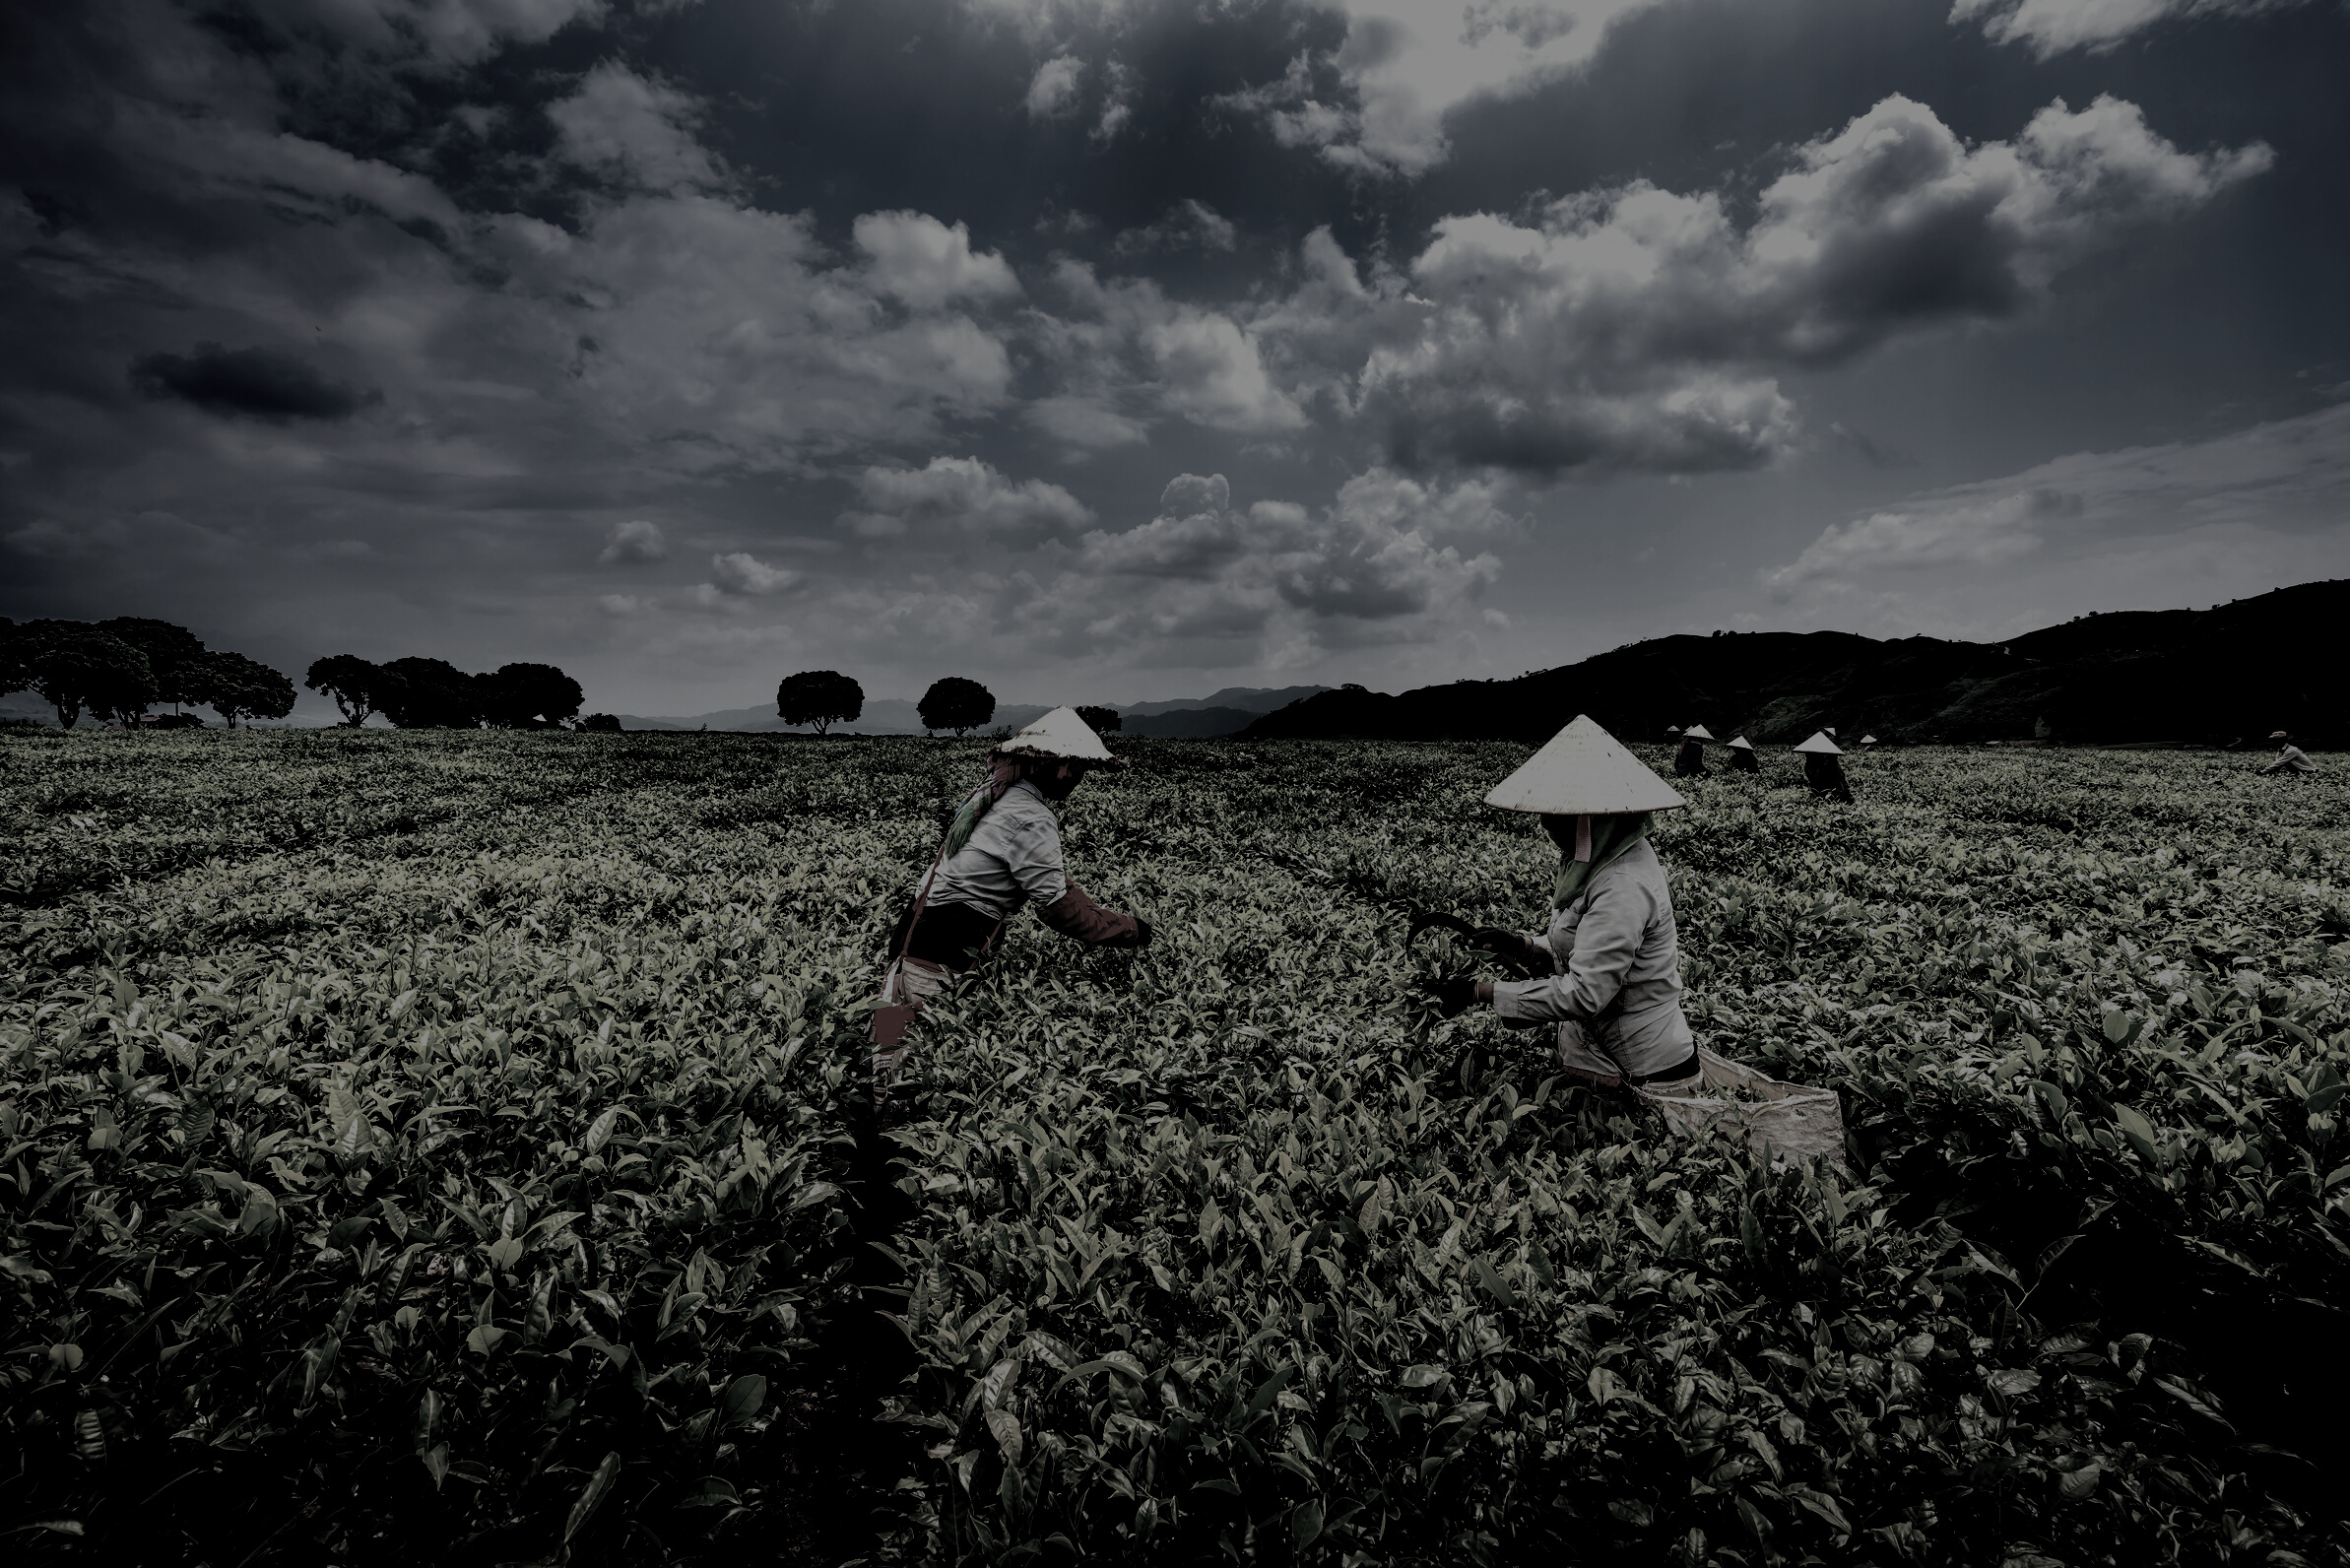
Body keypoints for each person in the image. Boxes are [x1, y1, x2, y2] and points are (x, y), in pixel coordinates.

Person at [871, 706, 1151, 1101]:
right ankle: (888, 1143)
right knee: (915, 1074)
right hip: (939, 959)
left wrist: (1110, 916)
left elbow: (1053, 882)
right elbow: (1059, 908)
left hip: (908, 948)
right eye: (1078, 771)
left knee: (890, 1054)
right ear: (1062, 767)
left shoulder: (993, 797)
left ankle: (882, 1134)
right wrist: (1132, 931)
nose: (1078, 781)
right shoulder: (1032, 815)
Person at [1430, 714, 1701, 1091]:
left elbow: (1587, 992)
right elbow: (1585, 943)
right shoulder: (1600, 856)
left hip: (1647, 1069)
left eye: (1557, 815)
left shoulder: (1623, 884)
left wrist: (1481, 992)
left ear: (1588, 818)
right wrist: (1523, 946)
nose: (1547, 824)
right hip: (1605, 1053)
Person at [1795, 730, 1854, 803]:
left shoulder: (1833, 769)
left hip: (1838, 801)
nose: (1809, 757)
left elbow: (1839, 792)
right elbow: (1815, 787)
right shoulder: (1809, 768)